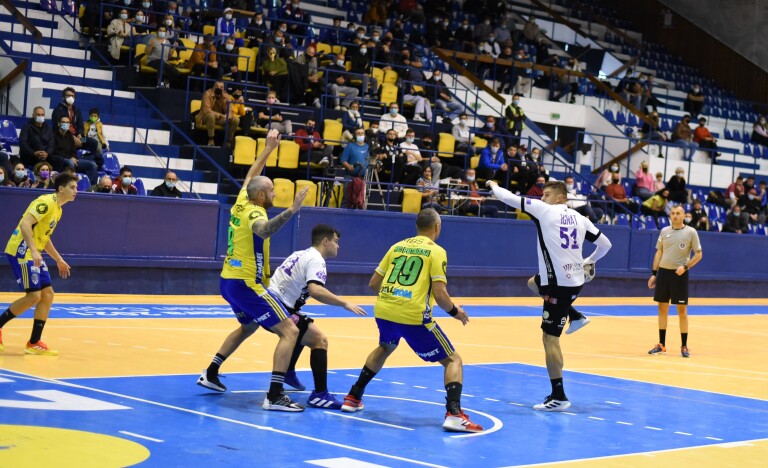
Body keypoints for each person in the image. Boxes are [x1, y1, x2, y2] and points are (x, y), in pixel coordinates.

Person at [340, 208, 483, 433]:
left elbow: (373, 283)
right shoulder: (436, 251)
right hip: (413, 315)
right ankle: (454, 415)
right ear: (437, 227)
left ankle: (353, 397)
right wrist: (456, 312)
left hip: (384, 310)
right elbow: (440, 294)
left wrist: (393, 299)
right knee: (453, 359)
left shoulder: (396, 247)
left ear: (417, 226)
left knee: (386, 346)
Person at [199, 224, 367, 407]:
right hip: (278, 305)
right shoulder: (316, 260)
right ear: (325, 241)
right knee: (318, 339)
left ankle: (212, 371)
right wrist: (344, 303)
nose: (338, 246)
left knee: (250, 328)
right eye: (336, 241)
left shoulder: (300, 253)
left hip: (267, 299)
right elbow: (316, 290)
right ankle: (319, 394)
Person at [201, 129, 310, 412]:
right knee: (290, 331)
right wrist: (292, 210)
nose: (275, 193)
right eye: (272, 191)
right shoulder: (255, 213)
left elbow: (252, 175)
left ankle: (211, 373)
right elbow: (263, 229)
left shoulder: (242, 200)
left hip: (228, 281)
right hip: (247, 284)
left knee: (248, 326)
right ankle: (275, 395)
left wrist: (269, 149)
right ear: (261, 196)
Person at [488, 180, 612, 410]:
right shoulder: (581, 218)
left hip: (559, 285)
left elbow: (507, 197)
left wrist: (493, 184)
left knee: (550, 338)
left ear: (560, 198)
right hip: (574, 281)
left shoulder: (544, 211)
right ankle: (575, 316)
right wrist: (589, 261)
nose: (542, 198)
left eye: (546, 195)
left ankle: (559, 397)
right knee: (533, 283)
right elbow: (606, 245)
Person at [1, 173, 79, 356]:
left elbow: (45, 237)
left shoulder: (58, 210)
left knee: (47, 294)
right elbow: (25, 224)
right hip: (21, 251)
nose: (76, 191)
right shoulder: (45, 202)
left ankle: (34, 342)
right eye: (72, 187)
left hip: (32, 252)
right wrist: (34, 251)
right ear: (61, 189)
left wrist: (58, 259)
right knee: (34, 296)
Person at [647, 205, 703, 358]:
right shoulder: (664, 231)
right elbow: (659, 252)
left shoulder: (691, 232)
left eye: (678, 213)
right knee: (662, 308)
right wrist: (654, 273)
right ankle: (661, 344)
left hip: (679, 275)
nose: (675, 216)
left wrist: (685, 267)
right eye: (672, 213)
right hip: (663, 274)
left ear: (684, 215)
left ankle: (684, 346)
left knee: (682, 311)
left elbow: (699, 254)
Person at [196, 81, 241, 147]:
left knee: (236, 120)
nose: (219, 88)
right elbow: (206, 110)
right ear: (213, 87)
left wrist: (228, 116)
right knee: (211, 116)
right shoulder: (207, 94)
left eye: (221, 87)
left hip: (220, 119)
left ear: (223, 89)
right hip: (205, 116)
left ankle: (228, 142)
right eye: (217, 86)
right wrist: (221, 115)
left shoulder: (226, 96)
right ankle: (211, 140)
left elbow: (230, 109)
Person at [19, 107, 57, 171]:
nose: (40, 116)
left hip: (46, 155)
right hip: (30, 155)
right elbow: (23, 144)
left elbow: (51, 144)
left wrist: (47, 153)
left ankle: (54, 175)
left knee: (59, 160)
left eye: (42, 115)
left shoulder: (48, 129)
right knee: (36, 140)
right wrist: (34, 153)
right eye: (38, 114)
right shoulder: (26, 127)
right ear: (33, 115)